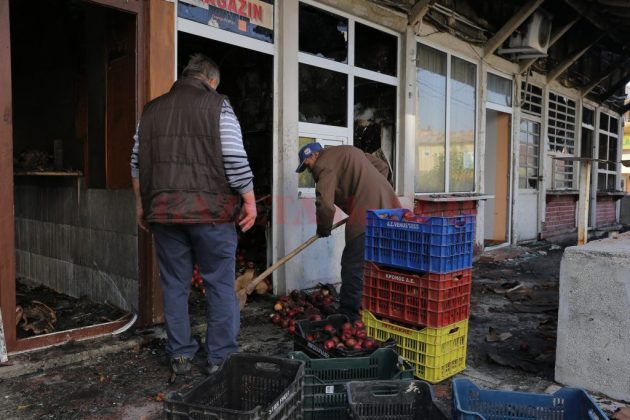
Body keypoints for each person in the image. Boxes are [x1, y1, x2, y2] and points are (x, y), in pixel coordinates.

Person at [130, 53, 256, 377]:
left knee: (174, 285)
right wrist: (250, 201)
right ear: (211, 81)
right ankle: (219, 358)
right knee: (219, 284)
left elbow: (136, 163)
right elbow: (234, 158)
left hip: (164, 213)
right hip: (211, 214)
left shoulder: (151, 111)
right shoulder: (218, 105)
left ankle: (181, 356)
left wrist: (142, 205)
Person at [296, 143, 400, 322]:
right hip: (390, 207)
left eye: (307, 164)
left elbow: (325, 205)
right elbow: (382, 166)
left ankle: (349, 315)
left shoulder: (323, 164)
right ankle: (381, 309)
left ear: (314, 155)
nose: (309, 169)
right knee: (379, 262)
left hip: (365, 213)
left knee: (352, 264)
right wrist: (367, 191)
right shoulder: (347, 151)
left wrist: (324, 229)